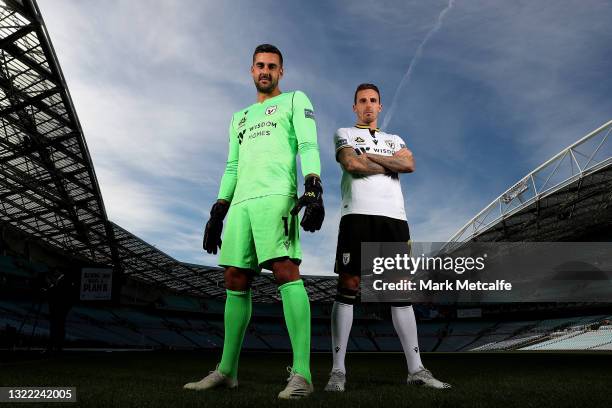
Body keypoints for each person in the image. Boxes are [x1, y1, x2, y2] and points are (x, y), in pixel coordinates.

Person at [183, 44, 324, 399]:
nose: (265, 71)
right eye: (260, 65)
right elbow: (232, 165)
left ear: (281, 72)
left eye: (272, 66)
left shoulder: (295, 100)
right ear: (251, 71)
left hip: (276, 196)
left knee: (284, 270)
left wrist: (313, 185)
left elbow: (308, 145)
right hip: (242, 203)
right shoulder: (239, 117)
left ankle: (303, 375)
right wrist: (219, 207)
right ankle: (227, 371)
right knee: (234, 277)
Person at [325, 83, 450, 392]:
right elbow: (351, 164)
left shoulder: (395, 139)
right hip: (356, 215)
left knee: (399, 291)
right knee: (349, 285)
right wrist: (386, 162)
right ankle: (338, 372)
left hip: (394, 219)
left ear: (380, 106)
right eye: (362, 101)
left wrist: (371, 158)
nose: (368, 105)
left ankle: (416, 370)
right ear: (355, 106)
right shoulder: (344, 133)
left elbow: (409, 164)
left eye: (373, 101)